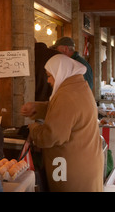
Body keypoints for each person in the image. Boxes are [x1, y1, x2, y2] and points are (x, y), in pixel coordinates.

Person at [21, 54, 103, 192]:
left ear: (61, 72)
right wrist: (38, 108)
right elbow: (66, 113)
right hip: (84, 162)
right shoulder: (77, 86)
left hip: (69, 167)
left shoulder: (67, 95)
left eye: (50, 75)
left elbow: (52, 137)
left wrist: (33, 128)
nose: (48, 80)